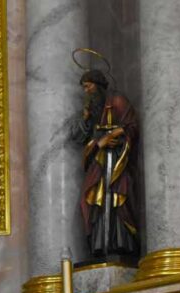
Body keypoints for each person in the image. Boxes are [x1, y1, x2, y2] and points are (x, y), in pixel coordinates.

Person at [69, 69, 141, 260]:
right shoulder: (92, 107)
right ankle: (99, 244)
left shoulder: (117, 100)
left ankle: (120, 243)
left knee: (117, 196)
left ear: (98, 84)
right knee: (91, 199)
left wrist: (114, 135)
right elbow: (79, 137)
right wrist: (86, 120)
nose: (86, 91)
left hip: (117, 160)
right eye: (84, 88)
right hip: (98, 160)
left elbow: (132, 126)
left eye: (88, 86)